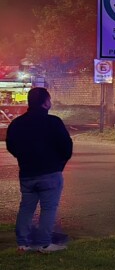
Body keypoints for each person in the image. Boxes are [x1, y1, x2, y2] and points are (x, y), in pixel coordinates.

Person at [6, 87, 73, 253]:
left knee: (26, 208)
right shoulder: (53, 122)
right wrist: (59, 162)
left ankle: (22, 243)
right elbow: (66, 147)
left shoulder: (17, 124)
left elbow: (11, 146)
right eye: (49, 100)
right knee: (48, 208)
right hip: (50, 172)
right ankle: (44, 244)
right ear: (45, 102)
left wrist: (25, 158)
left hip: (27, 173)